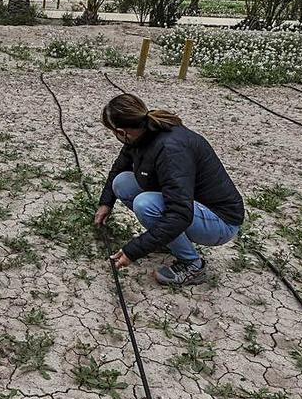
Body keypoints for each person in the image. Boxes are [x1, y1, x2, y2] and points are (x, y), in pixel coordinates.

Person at [93, 94, 245, 286]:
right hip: (191, 206)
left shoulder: (170, 149)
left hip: (221, 221)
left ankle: (192, 265)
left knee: (145, 204)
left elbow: (180, 213)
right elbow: (120, 168)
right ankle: (168, 240)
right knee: (121, 182)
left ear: (122, 132)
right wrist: (106, 203)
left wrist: (133, 251)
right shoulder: (142, 133)